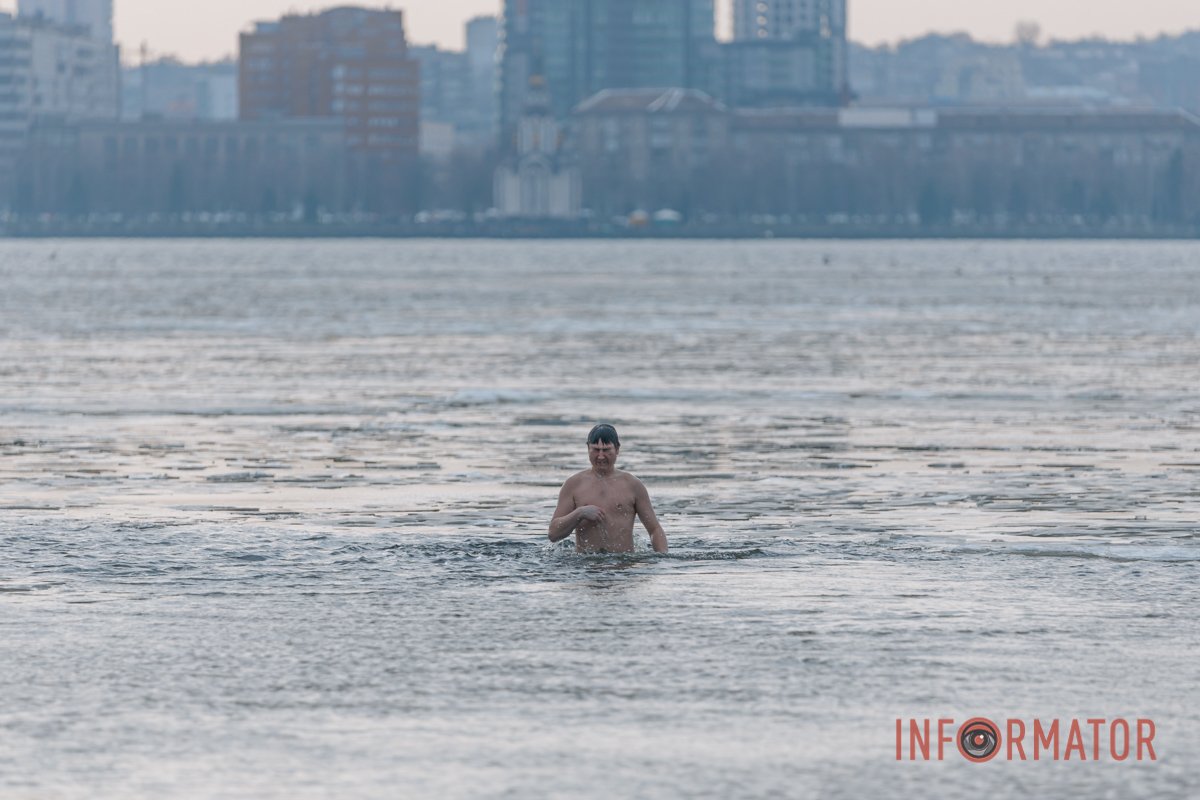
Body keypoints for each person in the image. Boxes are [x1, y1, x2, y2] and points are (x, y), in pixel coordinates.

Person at [548, 423, 668, 554]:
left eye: (606, 450)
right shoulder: (573, 484)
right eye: (595, 449)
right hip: (585, 569)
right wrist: (580, 513)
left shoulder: (633, 485)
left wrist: (662, 559)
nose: (600, 456)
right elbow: (553, 534)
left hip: (623, 567)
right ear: (588, 448)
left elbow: (654, 529)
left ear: (617, 449)